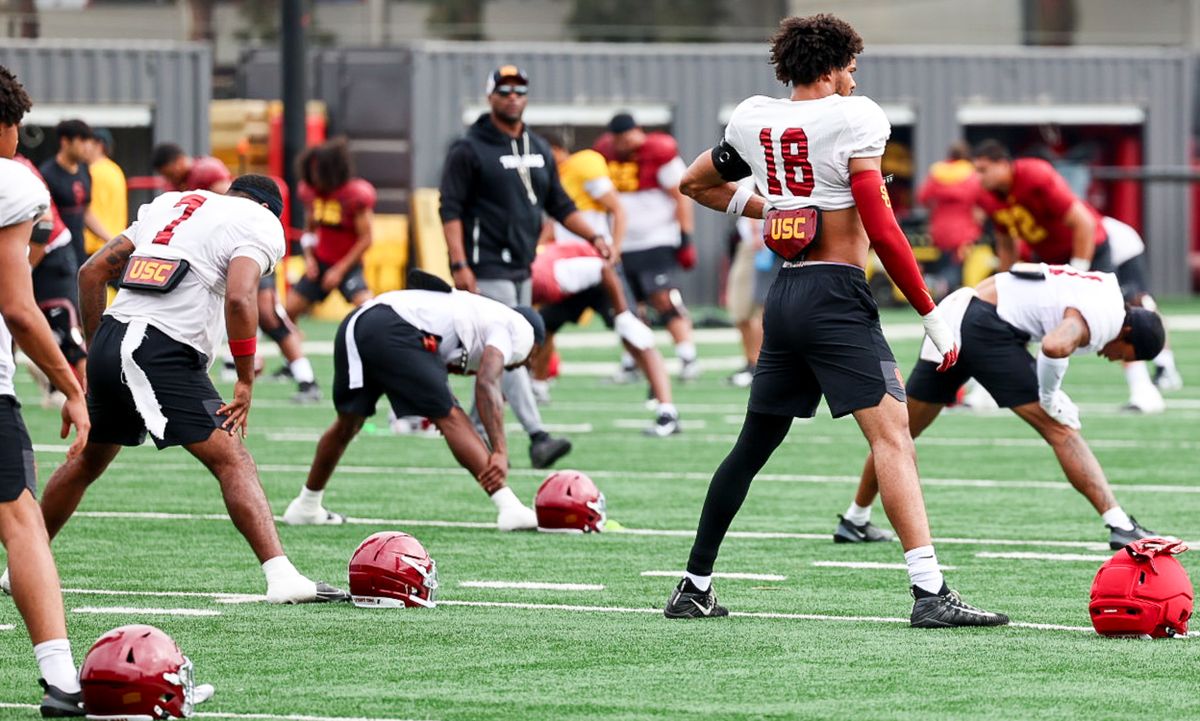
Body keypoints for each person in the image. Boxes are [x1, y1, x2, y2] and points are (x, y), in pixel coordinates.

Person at [661, 14, 1007, 627]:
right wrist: (931, 313)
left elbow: (695, 183)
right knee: (893, 437)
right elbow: (882, 225)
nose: (855, 77)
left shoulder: (753, 116)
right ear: (829, 66)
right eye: (849, 66)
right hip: (836, 296)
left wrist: (769, 207)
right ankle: (929, 593)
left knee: (752, 445)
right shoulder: (855, 117)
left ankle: (694, 583)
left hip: (787, 297)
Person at [26, 175, 348, 605]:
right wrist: (247, 378)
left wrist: (98, 351)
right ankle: (281, 576)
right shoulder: (260, 221)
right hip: (159, 349)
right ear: (270, 209)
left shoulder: (172, 204)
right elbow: (239, 297)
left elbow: (91, 273)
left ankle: (21, 567)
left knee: (91, 459)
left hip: (114, 340)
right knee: (232, 458)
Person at [834, 264, 1165, 549]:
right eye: (1127, 354)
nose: (1116, 359)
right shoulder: (1108, 317)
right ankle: (1121, 525)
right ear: (1129, 332)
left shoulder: (1106, 288)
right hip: (983, 324)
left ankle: (854, 520)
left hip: (959, 310)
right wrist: (1050, 396)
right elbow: (1054, 345)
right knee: (1061, 429)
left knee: (898, 435)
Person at [440, 65, 606, 470]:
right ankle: (537, 434)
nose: (512, 96)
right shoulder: (469, 148)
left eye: (519, 90)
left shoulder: (536, 145)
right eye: (504, 90)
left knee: (503, 350)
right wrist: (459, 262)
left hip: (522, 264)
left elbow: (560, 205)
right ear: (490, 96)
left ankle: (476, 430)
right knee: (510, 345)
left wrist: (595, 237)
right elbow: (451, 209)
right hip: (487, 264)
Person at [281, 280, 544, 531]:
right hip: (392, 326)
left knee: (347, 423)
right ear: (535, 346)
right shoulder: (520, 330)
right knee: (449, 414)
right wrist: (499, 450)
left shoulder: (478, 315)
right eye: (532, 357)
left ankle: (306, 505)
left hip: (357, 323)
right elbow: (487, 382)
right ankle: (508, 506)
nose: (525, 364)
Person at [0, 65, 92, 716]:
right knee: (20, 518)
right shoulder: (12, 180)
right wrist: (71, 386)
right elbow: (18, 306)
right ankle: (62, 679)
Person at [972, 139, 1180, 412]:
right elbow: (1006, 242)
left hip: (1088, 249)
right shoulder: (989, 196)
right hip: (1050, 257)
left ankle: (1145, 391)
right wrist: (1004, 282)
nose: (979, 177)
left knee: (1116, 319)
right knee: (1014, 315)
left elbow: (1082, 222)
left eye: (983, 169)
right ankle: (987, 389)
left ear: (1002, 163)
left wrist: (1077, 273)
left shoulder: (1034, 174)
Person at [531, 240, 680, 436]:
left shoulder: (552, 275)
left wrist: (622, 314)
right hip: (575, 277)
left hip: (605, 278)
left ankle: (667, 412)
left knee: (636, 337)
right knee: (543, 326)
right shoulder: (541, 271)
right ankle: (537, 389)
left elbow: (604, 268)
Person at [595, 113, 700, 382]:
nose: (623, 143)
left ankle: (687, 355)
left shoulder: (658, 151)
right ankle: (632, 362)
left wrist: (685, 236)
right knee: (629, 305)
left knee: (664, 299)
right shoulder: (605, 153)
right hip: (623, 243)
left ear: (638, 131)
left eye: (627, 136)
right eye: (618, 138)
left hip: (657, 240)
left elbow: (682, 194)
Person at [40, 119, 112, 265]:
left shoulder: (85, 171)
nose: (87, 147)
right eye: (82, 141)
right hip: (54, 257)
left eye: (89, 141)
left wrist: (112, 239)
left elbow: (86, 212)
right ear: (65, 142)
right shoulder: (46, 174)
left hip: (79, 252)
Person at [916, 141, 981, 296]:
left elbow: (922, 197)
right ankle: (945, 286)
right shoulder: (971, 174)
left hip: (939, 229)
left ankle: (941, 286)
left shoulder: (938, 172)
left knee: (944, 262)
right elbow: (980, 198)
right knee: (957, 265)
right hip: (964, 229)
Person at [83, 128, 127, 258]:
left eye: (87, 142)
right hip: (116, 243)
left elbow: (88, 211)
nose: (84, 148)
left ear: (99, 145)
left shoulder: (92, 172)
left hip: (95, 247)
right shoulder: (116, 170)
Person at [151, 142, 233, 194]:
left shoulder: (206, 171)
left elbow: (229, 199)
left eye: (170, 174)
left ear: (180, 161)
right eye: (166, 176)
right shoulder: (174, 184)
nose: (169, 180)